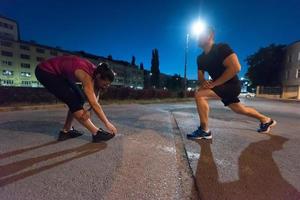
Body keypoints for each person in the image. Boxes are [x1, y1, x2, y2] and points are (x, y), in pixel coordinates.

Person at [187, 27, 276, 140]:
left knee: (200, 95)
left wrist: (214, 84)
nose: (198, 38)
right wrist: (204, 83)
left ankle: (204, 130)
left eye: (201, 35)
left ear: (210, 35)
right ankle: (266, 120)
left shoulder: (221, 48)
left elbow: (235, 67)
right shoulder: (200, 58)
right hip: (220, 86)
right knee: (239, 109)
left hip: (231, 85)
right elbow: (200, 76)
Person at [35, 55, 117, 142]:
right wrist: (107, 123)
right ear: (99, 76)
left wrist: (88, 110)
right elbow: (94, 103)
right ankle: (96, 133)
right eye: (105, 84)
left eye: (108, 84)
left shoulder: (96, 72)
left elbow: (95, 95)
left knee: (80, 98)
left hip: (60, 75)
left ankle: (66, 131)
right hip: (45, 71)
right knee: (73, 100)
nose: (106, 86)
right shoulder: (86, 75)